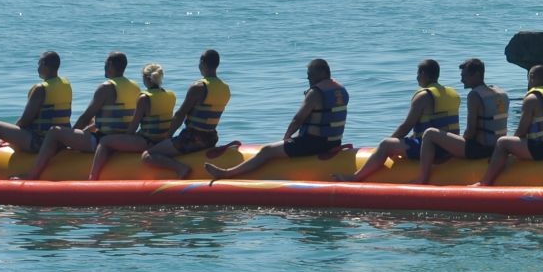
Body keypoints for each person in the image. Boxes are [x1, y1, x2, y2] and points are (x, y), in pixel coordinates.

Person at [205, 58, 346, 179]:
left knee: (267, 150)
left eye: (310, 75)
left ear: (322, 73)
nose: (308, 79)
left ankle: (227, 173)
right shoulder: (340, 90)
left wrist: (286, 137)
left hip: (314, 144)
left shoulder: (315, 93)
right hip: (334, 142)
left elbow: (298, 119)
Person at [0, 51, 71, 184]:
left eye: (38, 64)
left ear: (43, 64)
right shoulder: (66, 84)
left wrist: (10, 135)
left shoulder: (41, 89)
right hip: (61, 142)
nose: (37, 68)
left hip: (41, 142)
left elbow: (25, 120)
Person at [27, 52, 140, 178]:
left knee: (54, 132)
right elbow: (116, 118)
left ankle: (32, 175)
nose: (104, 67)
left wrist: (69, 136)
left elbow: (85, 117)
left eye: (105, 64)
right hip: (124, 140)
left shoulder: (105, 88)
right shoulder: (135, 87)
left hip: (102, 141)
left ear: (110, 65)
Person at [350, 59, 461, 182]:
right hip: (450, 147)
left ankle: (355, 177)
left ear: (423, 74)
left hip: (430, 148)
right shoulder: (452, 93)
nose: (417, 77)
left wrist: (388, 145)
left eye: (418, 74)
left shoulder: (423, 96)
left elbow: (406, 127)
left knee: (385, 144)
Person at [409, 57, 508, 184]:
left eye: (464, 76)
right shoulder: (501, 93)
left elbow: (471, 131)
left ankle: (422, 179)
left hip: (479, 150)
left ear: (477, 75)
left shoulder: (474, 95)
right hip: (496, 149)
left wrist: (453, 149)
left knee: (429, 133)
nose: (461, 80)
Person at [476, 65, 543, 186]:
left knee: (502, 142)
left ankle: (485, 182)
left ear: (531, 77)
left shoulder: (532, 98)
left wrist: (511, 150)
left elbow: (521, 132)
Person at [141, 49, 229, 178]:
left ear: (202, 63)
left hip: (192, 139)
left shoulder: (198, 87)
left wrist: (168, 135)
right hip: (211, 138)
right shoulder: (225, 88)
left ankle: (180, 168)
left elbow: (180, 114)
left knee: (147, 156)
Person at [88, 63, 176, 180]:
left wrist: (121, 142)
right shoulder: (171, 95)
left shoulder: (144, 98)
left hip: (147, 142)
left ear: (145, 79)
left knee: (104, 141)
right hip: (164, 141)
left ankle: (92, 177)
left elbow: (132, 128)